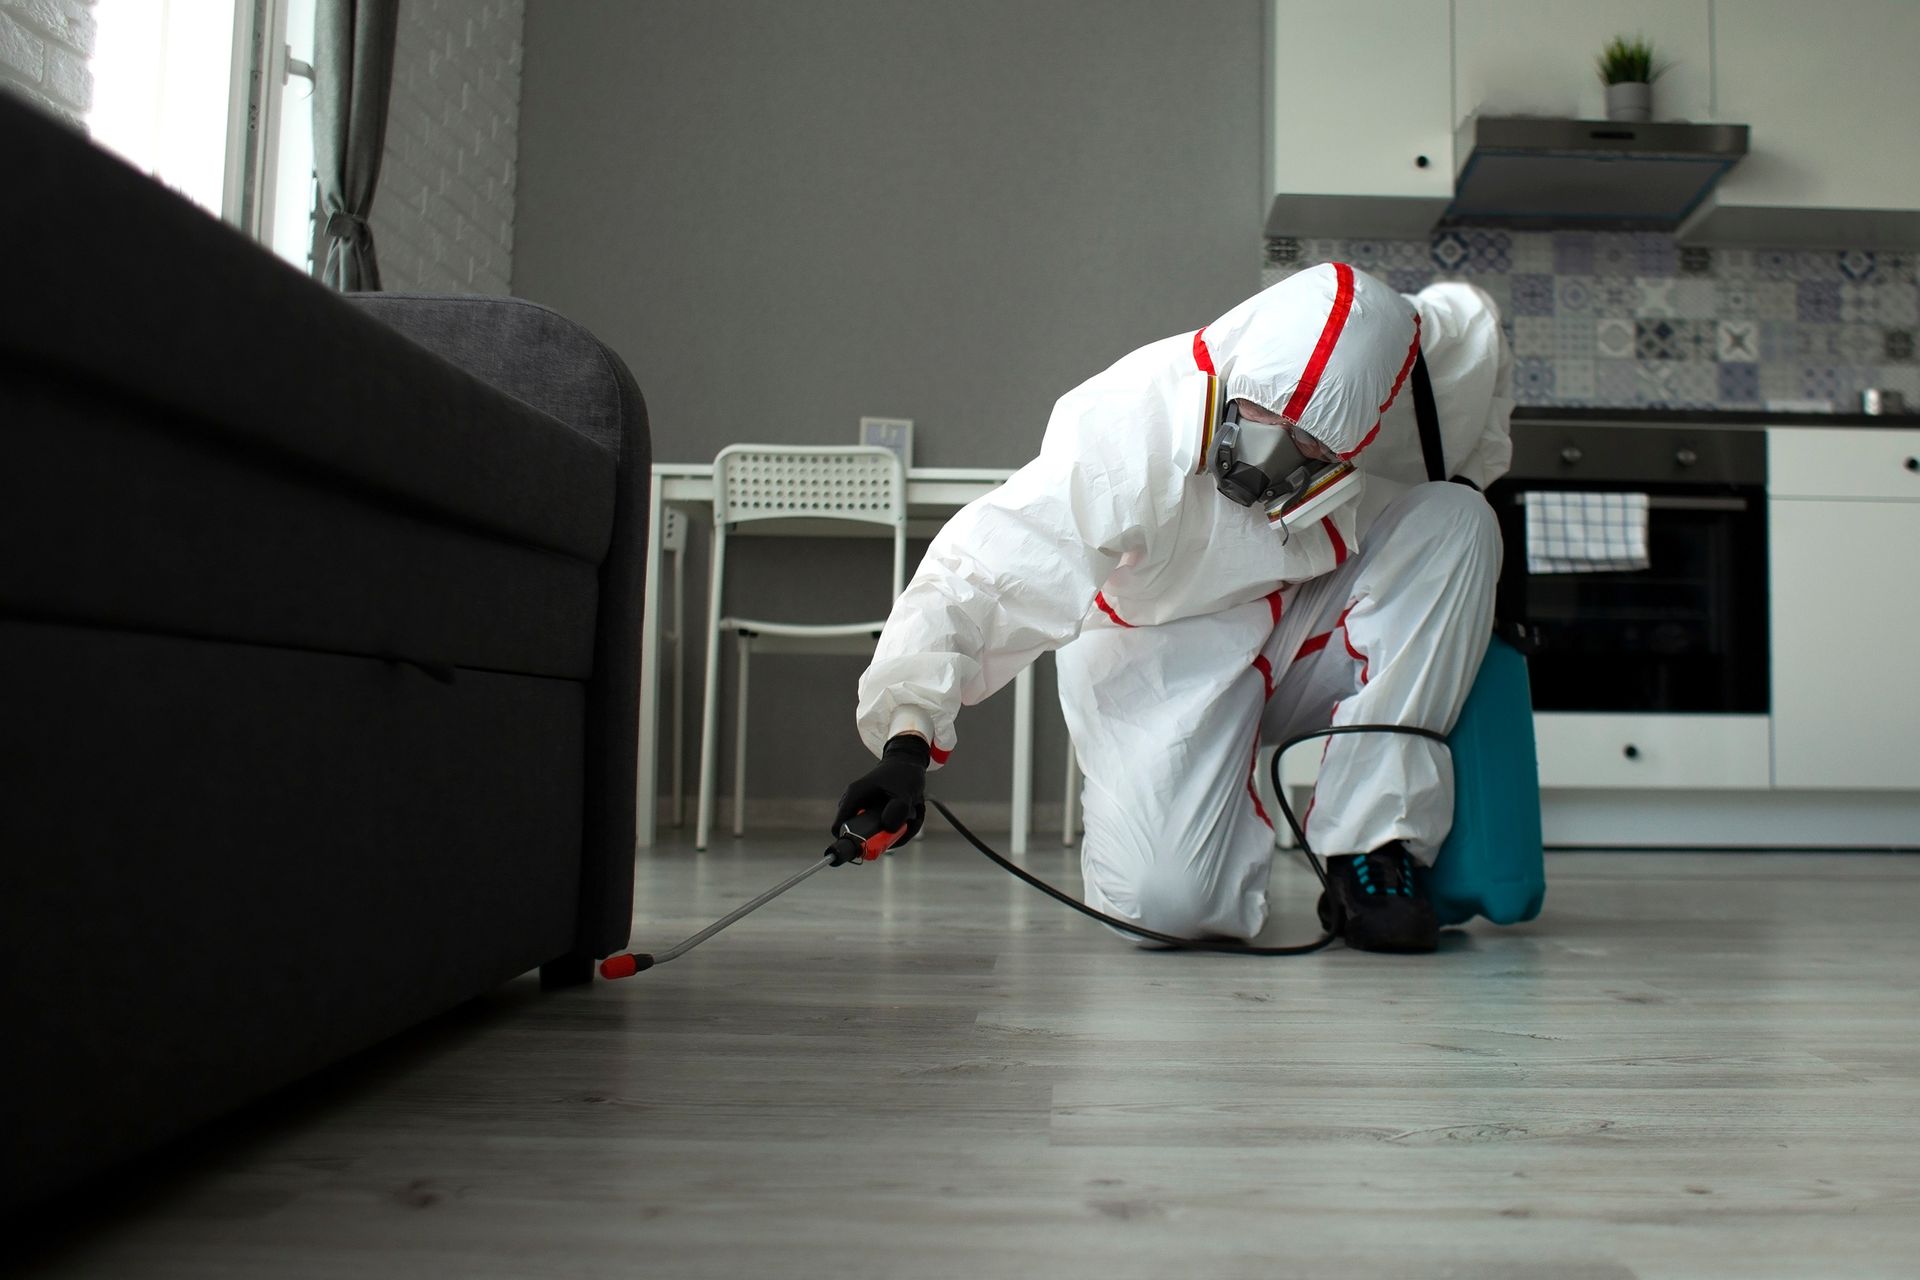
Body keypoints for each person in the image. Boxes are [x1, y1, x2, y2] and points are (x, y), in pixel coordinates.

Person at [834, 262, 1514, 953]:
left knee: (1458, 519)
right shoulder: (1128, 428)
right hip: (1158, 650)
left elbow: (1476, 327)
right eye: (1259, 413)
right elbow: (982, 573)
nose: (1271, 450)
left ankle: (1370, 850)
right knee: (1164, 907)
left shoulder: (1420, 371)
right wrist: (907, 740)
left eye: (1307, 442)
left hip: (1309, 623)